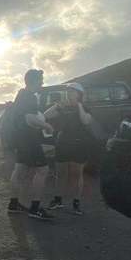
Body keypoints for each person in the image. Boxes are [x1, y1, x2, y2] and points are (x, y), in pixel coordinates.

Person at [7, 69, 56, 220]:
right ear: (34, 81)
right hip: (29, 140)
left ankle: (14, 204)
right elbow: (30, 119)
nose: (42, 83)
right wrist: (46, 126)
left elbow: (27, 117)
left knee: (19, 170)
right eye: (41, 80)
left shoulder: (20, 95)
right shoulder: (29, 97)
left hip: (20, 139)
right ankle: (35, 209)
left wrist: (45, 116)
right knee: (42, 170)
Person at [44, 83, 94, 215]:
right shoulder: (62, 107)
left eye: (72, 92)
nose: (69, 94)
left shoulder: (85, 108)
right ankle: (58, 200)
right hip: (63, 143)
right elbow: (46, 115)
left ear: (79, 94)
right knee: (60, 174)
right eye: (68, 91)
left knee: (76, 175)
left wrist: (79, 106)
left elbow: (85, 121)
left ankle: (76, 203)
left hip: (79, 144)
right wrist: (57, 105)